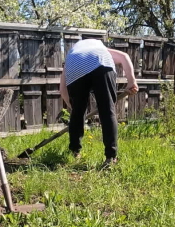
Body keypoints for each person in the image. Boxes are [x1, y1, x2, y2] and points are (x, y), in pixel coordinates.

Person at [59, 38, 138, 168]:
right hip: (100, 62)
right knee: (107, 111)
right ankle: (110, 157)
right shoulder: (100, 49)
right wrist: (131, 81)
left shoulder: (72, 55)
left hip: (75, 67)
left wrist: (73, 107)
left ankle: (75, 151)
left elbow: (62, 89)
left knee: (78, 112)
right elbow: (124, 57)